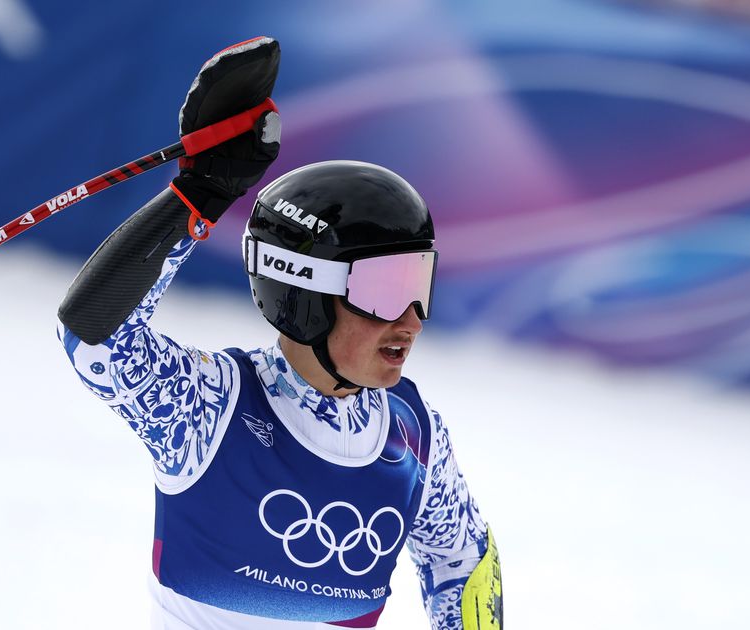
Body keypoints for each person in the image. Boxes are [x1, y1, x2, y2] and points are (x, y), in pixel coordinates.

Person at [56, 37, 502, 630]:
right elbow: (95, 337)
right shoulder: (211, 410)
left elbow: (464, 566)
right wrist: (198, 197)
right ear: (306, 295)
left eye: (421, 282)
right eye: (385, 287)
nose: (412, 317)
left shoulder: (411, 433)